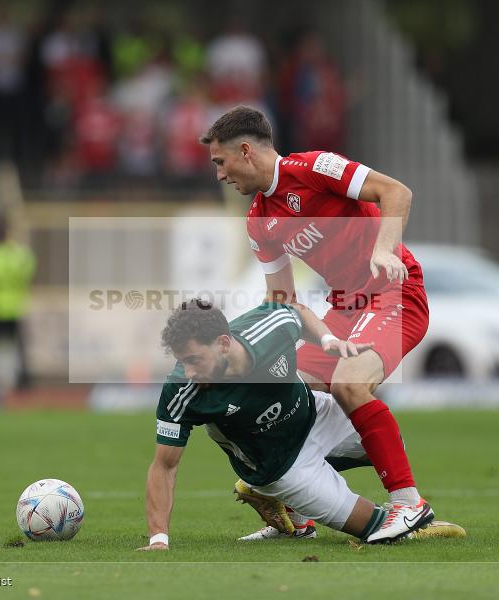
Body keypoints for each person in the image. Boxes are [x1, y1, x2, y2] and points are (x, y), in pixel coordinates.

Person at [199, 106, 433, 539]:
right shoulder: (258, 220)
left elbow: (396, 192)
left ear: (245, 151)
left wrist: (385, 250)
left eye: (220, 162)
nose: (219, 175)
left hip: (393, 294)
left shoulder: (314, 167)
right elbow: (282, 300)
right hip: (344, 309)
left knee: (348, 384)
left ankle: (407, 504)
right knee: (275, 395)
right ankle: (292, 511)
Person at [140, 299, 434, 551]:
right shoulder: (181, 390)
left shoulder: (266, 328)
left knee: (390, 442)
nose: (189, 371)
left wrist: (327, 340)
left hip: (315, 414)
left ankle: (404, 508)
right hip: (283, 467)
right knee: (375, 530)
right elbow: (164, 466)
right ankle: (273, 494)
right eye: (183, 362)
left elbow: (299, 312)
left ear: (224, 343)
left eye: (194, 360)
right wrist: (158, 539)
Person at [0, 221, 36, 390]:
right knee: (18, 344)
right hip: (16, 304)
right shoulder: (22, 255)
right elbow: (30, 278)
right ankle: (23, 378)